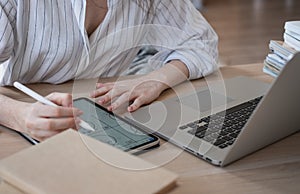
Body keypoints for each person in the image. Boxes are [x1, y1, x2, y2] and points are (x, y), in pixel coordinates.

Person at [0, 0, 218, 141]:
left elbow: (201, 42)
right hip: (20, 115)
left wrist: (156, 79)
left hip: (103, 115)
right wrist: (19, 116)